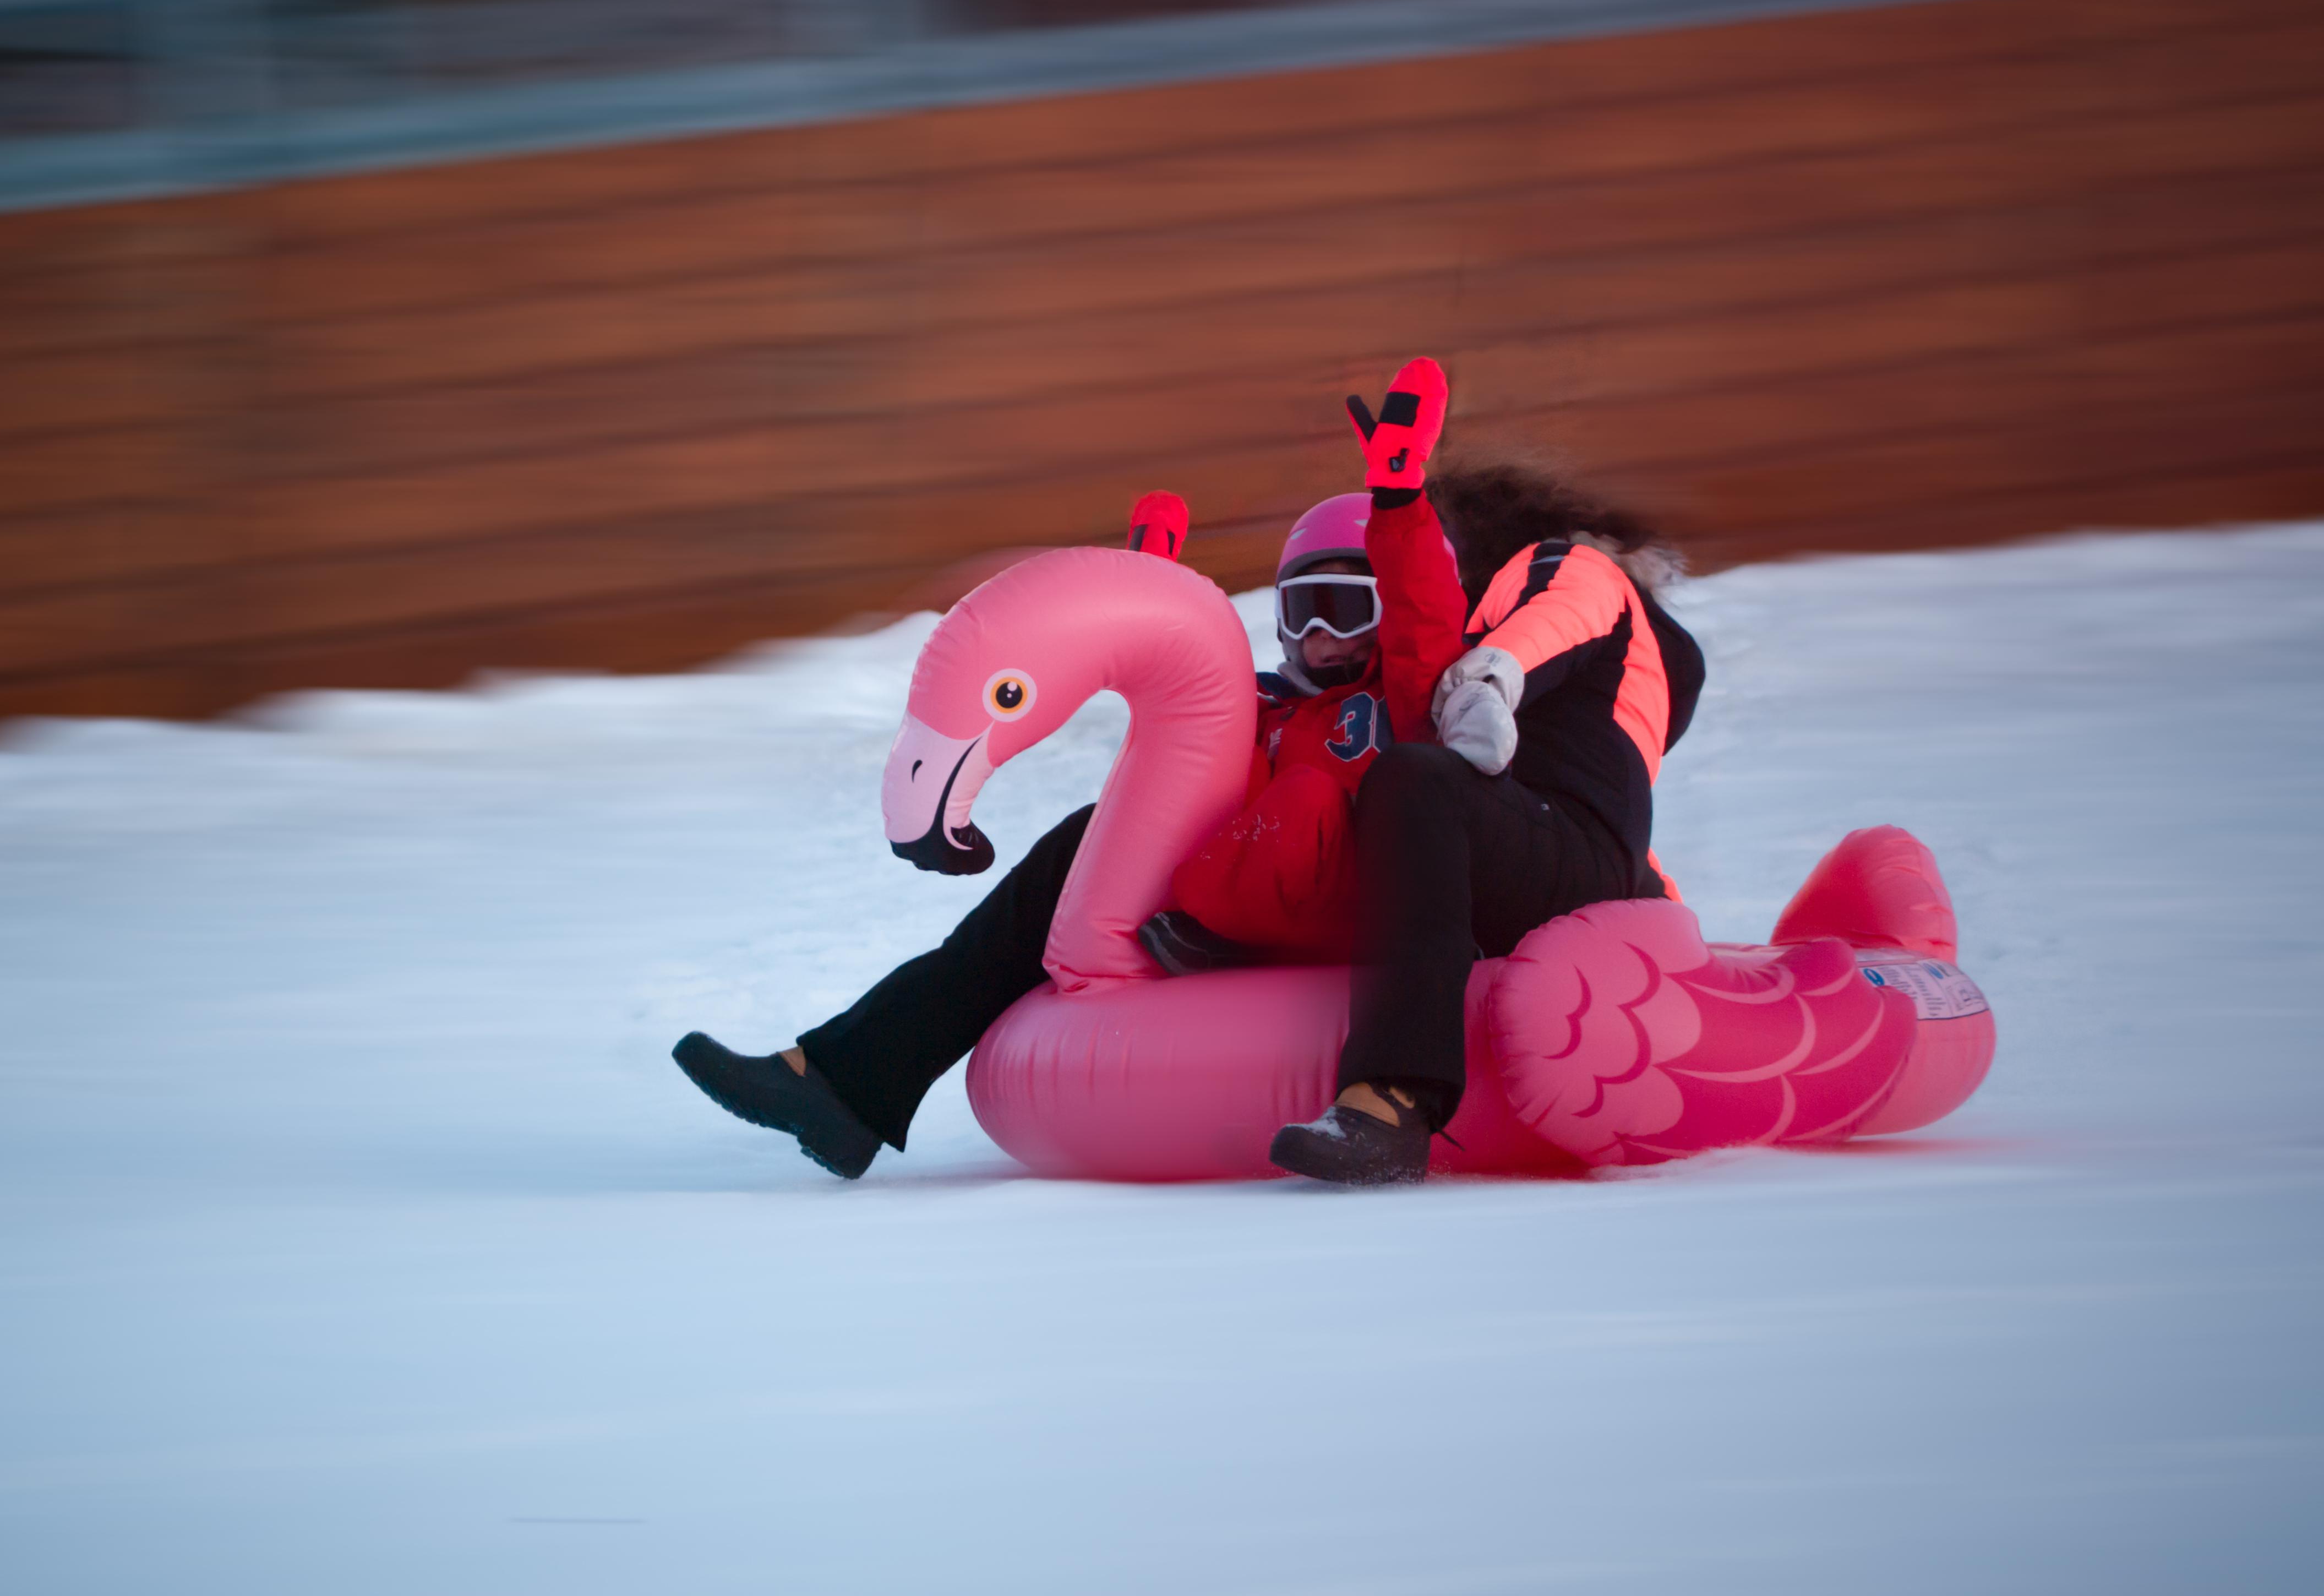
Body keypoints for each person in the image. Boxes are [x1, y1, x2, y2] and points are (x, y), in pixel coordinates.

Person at [672, 363, 1467, 1179]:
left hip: (1325, 913)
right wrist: (1143, 607)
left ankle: (850, 1080)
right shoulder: (1261, 706)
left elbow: (1426, 638)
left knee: (1304, 799)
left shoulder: (1403, 703)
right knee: (1078, 841)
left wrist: (1400, 507)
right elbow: (1178, 783)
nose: (1327, 638)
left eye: (1351, 607)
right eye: (1305, 612)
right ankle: (842, 1082)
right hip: (1217, 896)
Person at [1265, 450, 1707, 1186]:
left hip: (1574, 853)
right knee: (1408, 787)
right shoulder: (1476, 621)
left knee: (1416, 781)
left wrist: (1487, 684)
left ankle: (1393, 1099)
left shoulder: (1565, 569)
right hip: (1529, 852)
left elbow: (1553, 624)